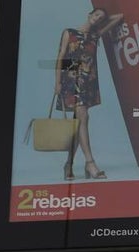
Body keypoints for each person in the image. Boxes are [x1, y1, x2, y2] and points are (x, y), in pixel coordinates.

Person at [54, 7, 124, 181]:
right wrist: (57, 82)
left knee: (79, 123)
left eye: (101, 17)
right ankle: (90, 163)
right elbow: (61, 57)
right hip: (70, 81)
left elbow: (119, 16)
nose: (98, 18)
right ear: (89, 14)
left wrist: (103, 17)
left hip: (87, 83)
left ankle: (69, 164)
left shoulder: (95, 35)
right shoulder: (69, 33)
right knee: (83, 118)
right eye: (96, 15)